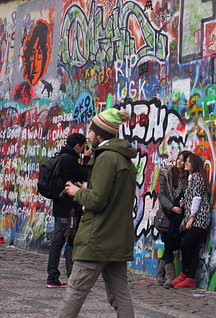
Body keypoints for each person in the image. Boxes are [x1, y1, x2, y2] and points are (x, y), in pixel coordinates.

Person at [59, 108, 137, 318]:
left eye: (91, 131)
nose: (88, 135)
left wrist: (77, 192)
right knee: (120, 295)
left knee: (75, 290)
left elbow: (97, 199)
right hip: (117, 237)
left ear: (100, 133)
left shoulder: (106, 158)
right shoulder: (124, 159)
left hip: (98, 238)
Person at [46, 133, 92, 288]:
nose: (84, 149)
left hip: (58, 206)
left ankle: (52, 277)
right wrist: (86, 159)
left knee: (56, 243)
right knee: (72, 242)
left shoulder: (59, 157)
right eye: (83, 146)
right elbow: (85, 175)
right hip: (70, 208)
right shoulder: (70, 160)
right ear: (77, 146)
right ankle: (73, 279)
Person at [171, 153, 211, 289]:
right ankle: (190, 278)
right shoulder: (191, 178)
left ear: (194, 163)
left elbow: (197, 198)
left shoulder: (197, 177)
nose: (186, 164)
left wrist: (191, 218)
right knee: (193, 248)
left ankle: (185, 273)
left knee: (185, 244)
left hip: (199, 219)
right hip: (193, 219)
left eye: (188, 162)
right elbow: (190, 198)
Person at [156, 150, 190, 288]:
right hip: (169, 210)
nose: (180, 162)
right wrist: (172, 208)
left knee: (171, 242)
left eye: (183, 160)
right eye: (179, 159)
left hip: (180, 212)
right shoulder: (167, 172)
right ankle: (170, 277)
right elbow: (161, 194)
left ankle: (160, 273)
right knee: (169, 242)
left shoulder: (189, 176)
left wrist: (180, 207)